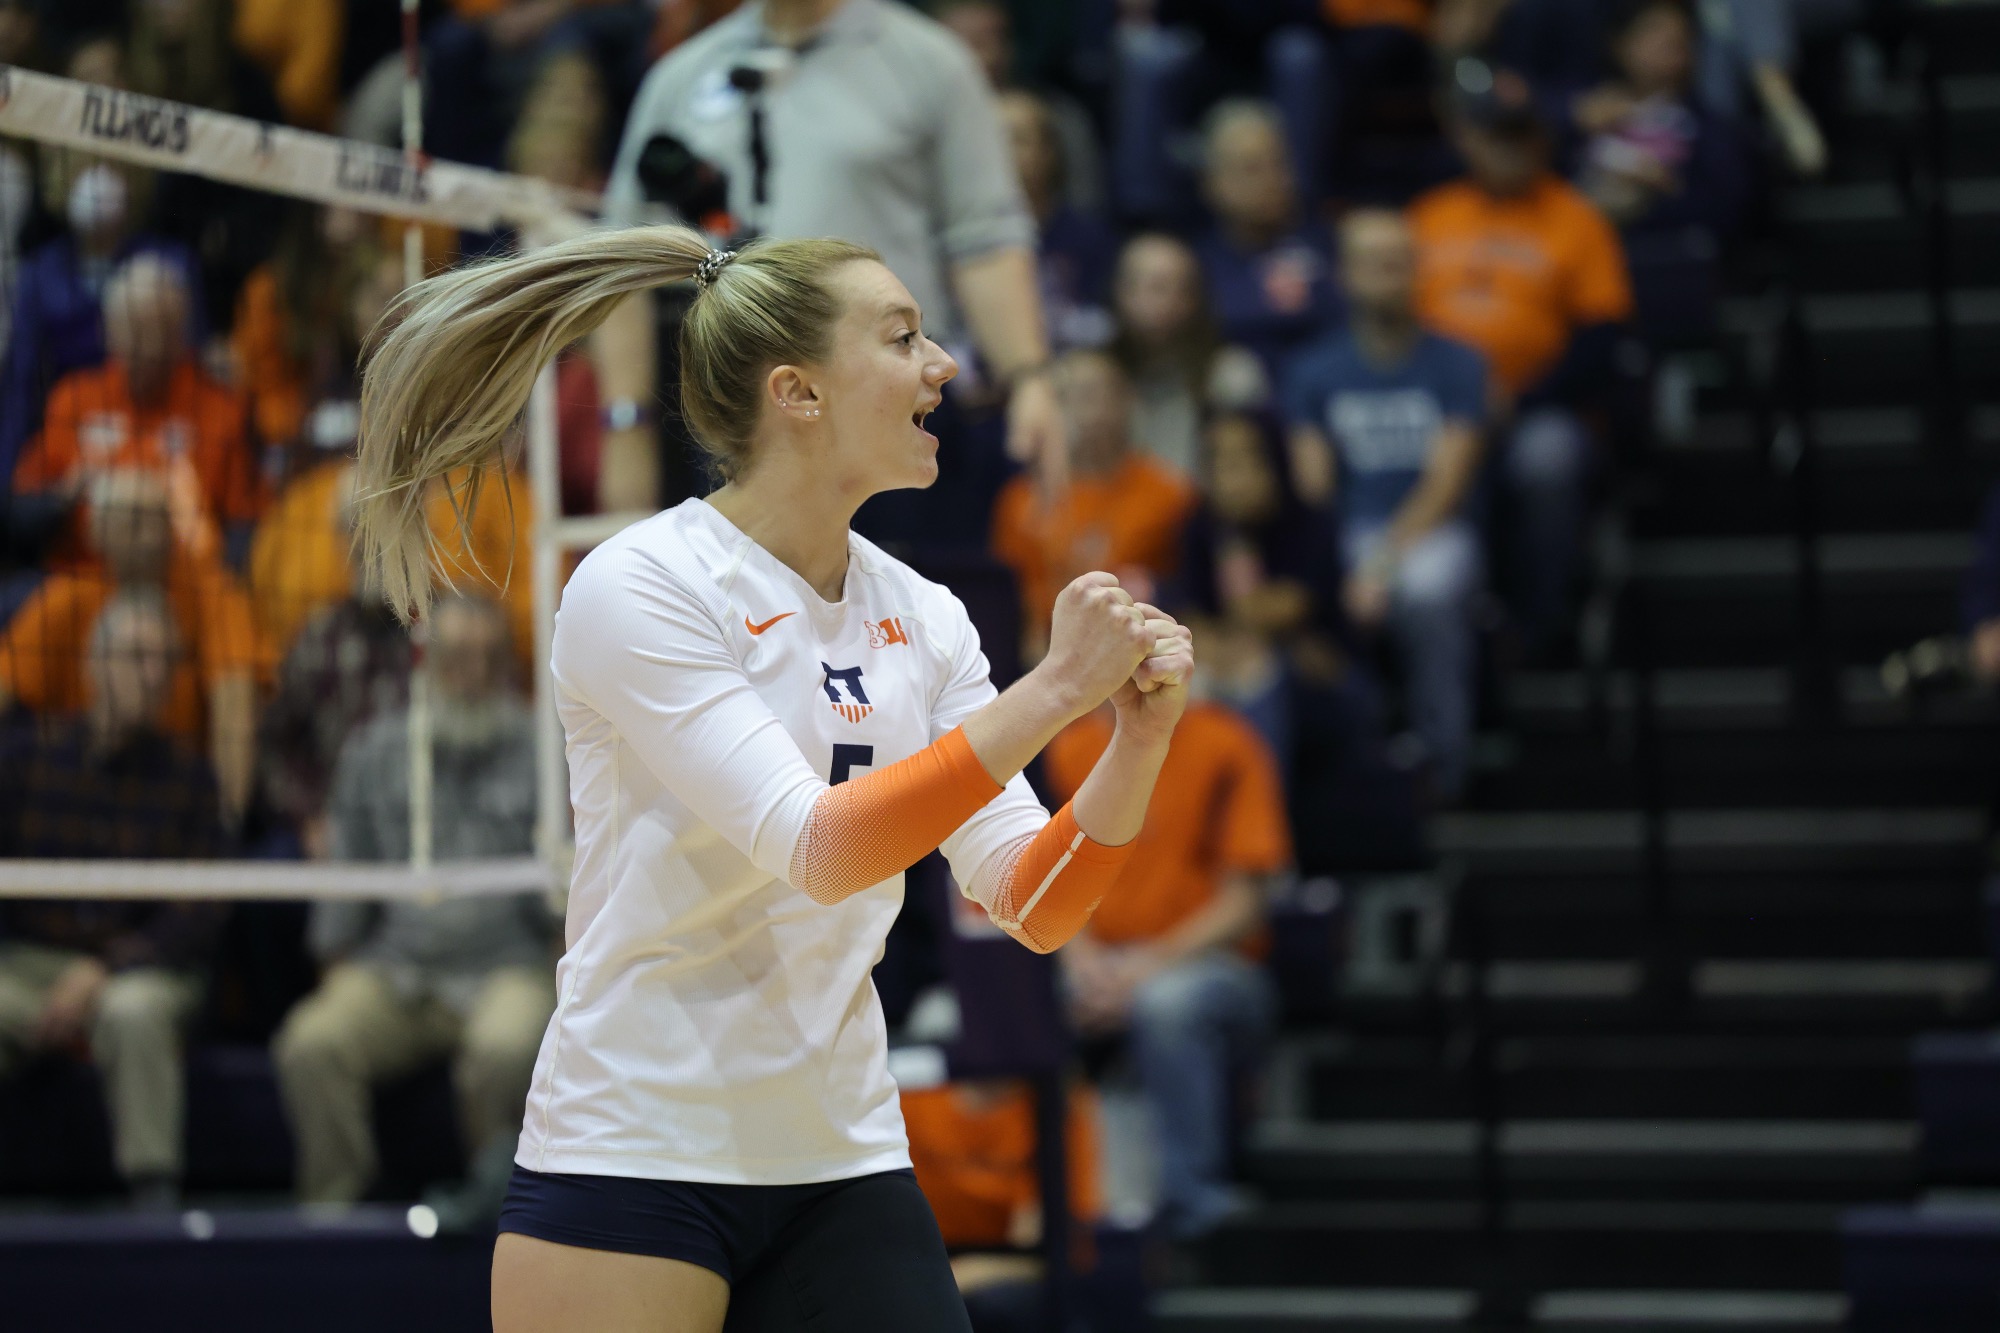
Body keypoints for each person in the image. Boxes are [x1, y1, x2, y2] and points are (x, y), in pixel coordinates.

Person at [349, 225, 1196, 1332]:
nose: (942, 364)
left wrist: (1133, 738)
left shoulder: (924, 614)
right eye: (902, 337)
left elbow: (1036, 904)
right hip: (636, 1150)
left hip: (839, 1156)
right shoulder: (642, 583)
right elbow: (821, 849)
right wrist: (1051, 694)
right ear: (797, 393)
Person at [595, 0, 1066, 544]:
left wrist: (1029, 379)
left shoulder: (928, 62)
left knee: (897, 609)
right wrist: (624, 426)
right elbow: (625, 262)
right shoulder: (684, 75)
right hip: (733, 408)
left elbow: (984, 238)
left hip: (891, 401)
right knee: (740, 604)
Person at [274, 595, 554, 1220]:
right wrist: (338, 971)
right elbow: (345, 896)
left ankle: (505, 1216)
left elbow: (567, 907)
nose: (473, 674)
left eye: (488, 658)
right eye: (457, 657)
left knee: (508, 1049)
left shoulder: (545, 751)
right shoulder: (374, 752)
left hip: (504, 967)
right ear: (426, 663)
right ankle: (333, 1213)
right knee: (311, 1043)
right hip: (395, 970)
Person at [0, 589, 228, 1207]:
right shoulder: (28, 762)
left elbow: (201, 910)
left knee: (134, 1013)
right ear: (94, 667)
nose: (152, 677)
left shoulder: (190, 778)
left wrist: (106, 967)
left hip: (143, 967)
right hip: (28, 962)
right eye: (135, 658)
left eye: (164, 662)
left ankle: (153, 1204)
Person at [1042, 692, 1291, 1243]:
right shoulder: (1072, 746)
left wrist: (1142, 970)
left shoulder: (1227, 741)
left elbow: (1246, 900)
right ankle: (1054, 1209)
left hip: (1209, 967)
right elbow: (1048, 876)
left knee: (1168, 1004)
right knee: (1005, 1003)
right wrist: (1082, 962)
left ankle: (1191, 1199)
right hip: (1094, 959)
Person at [1409, 70, 1633, 659]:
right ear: (1466, 139)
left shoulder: (1575, 217)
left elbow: (1601, 339)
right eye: (1495, 134)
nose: (1510, 147)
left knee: (1548, 458)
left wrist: (1520, 400)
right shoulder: (1430, 216)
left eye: (1520, 133)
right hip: (1431, 408)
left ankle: (1539, 623)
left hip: (1535, 408)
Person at [1286, 209, 1488, 797]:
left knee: (1425, 591)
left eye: (1397, 262)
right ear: (1344, 274)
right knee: (1313, 591)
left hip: (1433, 530)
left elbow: (1446, 485)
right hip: (1347, 529)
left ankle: (1446, 762)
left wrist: (1380, 565)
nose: (1385, 275)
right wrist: (1332, 570)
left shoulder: (1458, 362)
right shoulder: (1313, 370)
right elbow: (1313, 487)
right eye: (1370, 263)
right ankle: (1359, 764)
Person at [0, 468, 260, 823]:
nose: (152, 538)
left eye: (160, 522)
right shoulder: (66, 601)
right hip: (75, 788)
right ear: (97, 534)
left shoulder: (212, 595)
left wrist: (230, 820)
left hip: (176, 792)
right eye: (135, 525)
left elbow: (236, 705)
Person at [11, 255, 264, 573]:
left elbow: (244, 525)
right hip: (81, 582)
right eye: (133, 329)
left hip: (183, 591)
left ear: (181, 334)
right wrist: (65, 496)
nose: (147, 346)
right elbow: (20, 515)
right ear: (107, 331)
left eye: (159, 329)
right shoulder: (73, 398)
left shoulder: (222, 408)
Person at [0, 161, 202, 484]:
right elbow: (20, 385)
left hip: (155, 419)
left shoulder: (170, 263)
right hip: (73, 415)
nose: (145, 344)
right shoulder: (40, 273)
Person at [991, 349, 1197, 657]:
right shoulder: (1020, 501)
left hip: (1146, 655)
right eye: (1076, 396)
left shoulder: (1172, 494)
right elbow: (1010, 605)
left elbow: (1193, 597)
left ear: (1128, 402)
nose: (1093, 409)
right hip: (1048, 661)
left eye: (1104, 394)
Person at [1572, 0, 1749, 344]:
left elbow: (1729, 207)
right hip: (1582, 261)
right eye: (1654, 32)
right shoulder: (1584, 113)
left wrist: (1656, 191)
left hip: (1664, 264)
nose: (1670, 43)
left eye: (1681, 37)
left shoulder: (1710, 129)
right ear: (1620, 44)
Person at [256, 471, 412, 860]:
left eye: (389, 529)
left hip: (425, 825)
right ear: (344, 542)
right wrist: (310, 818)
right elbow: (278, 744)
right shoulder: (319, 637)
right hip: (336, 823)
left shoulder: (446, 632)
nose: (374, 547)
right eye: (359, 531)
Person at [1192, 100, 1344, 380]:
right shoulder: (1196, 265)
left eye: (1279, 163)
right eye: (1252, 168)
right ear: (1211, 182)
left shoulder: (1329, 246)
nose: (1272, 179)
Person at [1108, 232, 1270, 479]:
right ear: (1122, 292)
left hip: (1203, 510)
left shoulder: (1230, 372)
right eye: (1157, 287)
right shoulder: (1099, 374)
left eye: (1184, 288)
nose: (1173, 300)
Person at [938, 0, 1107, 215]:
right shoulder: (922, 123)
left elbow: (1085, 206)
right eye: (968, 44)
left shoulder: (1058, 115)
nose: (987, 55)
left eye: (994, 39)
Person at [997, 90, 1118, 354]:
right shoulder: (959, 241)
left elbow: (1106, 326)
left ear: (1048, 151)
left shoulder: (1089, 239)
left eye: (1017, 140)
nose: (1001, 152)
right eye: (991, 140)